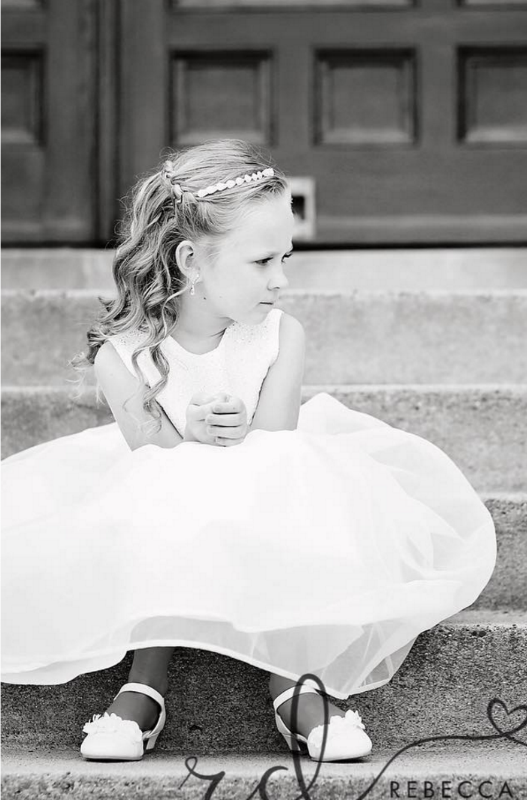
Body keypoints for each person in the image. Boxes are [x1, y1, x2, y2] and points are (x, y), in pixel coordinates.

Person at [0, 139, 496, 763]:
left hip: (269, 474)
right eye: (262, 261)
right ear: (191, 261)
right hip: (163, 484)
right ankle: (144, 680)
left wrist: (235, 431)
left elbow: (279, 440)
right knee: (151, 493)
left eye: (285, 258)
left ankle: (294, 677)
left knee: (291, 479)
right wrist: (196, 433)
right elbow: (153, 456)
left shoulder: (280, 335)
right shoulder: (121, 356)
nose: (280, 279)